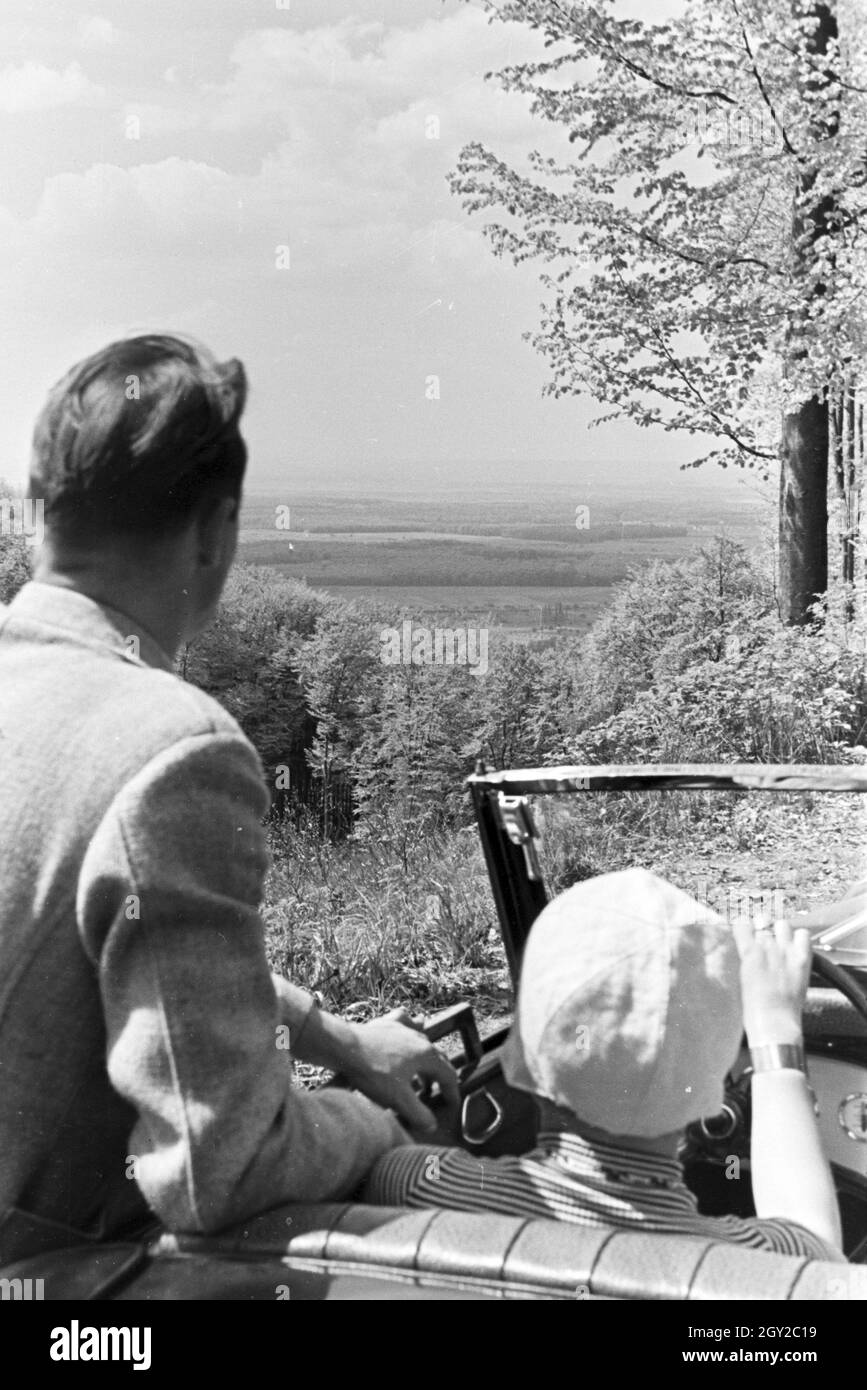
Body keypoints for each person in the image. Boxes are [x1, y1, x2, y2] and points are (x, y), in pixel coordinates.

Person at [0, 334, 455, 1266]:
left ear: (41, 512)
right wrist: (369, 1125)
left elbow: (94, 939)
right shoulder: (175, 751)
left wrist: (331, 1033)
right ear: (215, 533)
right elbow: (218, 1172)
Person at [365, 867, 846, 1263]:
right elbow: (816, 1243)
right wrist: (776, 1038)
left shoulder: (411, 1186)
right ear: (717, 1074)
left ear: (527, 1050)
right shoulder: (755, 1267)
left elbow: (351, 1143)